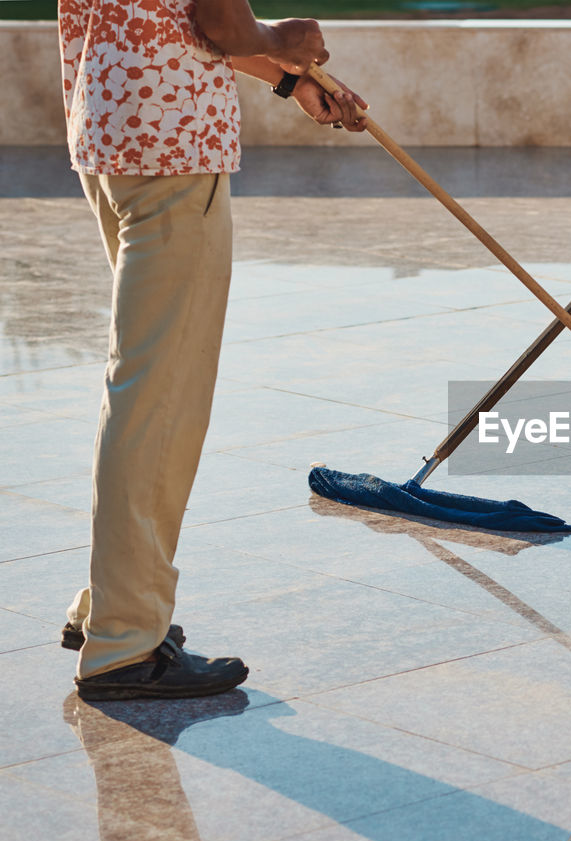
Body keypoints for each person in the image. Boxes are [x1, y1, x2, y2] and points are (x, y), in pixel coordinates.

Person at [58, 0, 367, 700]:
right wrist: (286, 39)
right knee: (159, 398)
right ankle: (126, 639)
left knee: (143, 387)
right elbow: (220, 21)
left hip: (113, 139)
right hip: (173, 151)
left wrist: (288, 78)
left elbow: (168, 18)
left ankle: (112, 606)